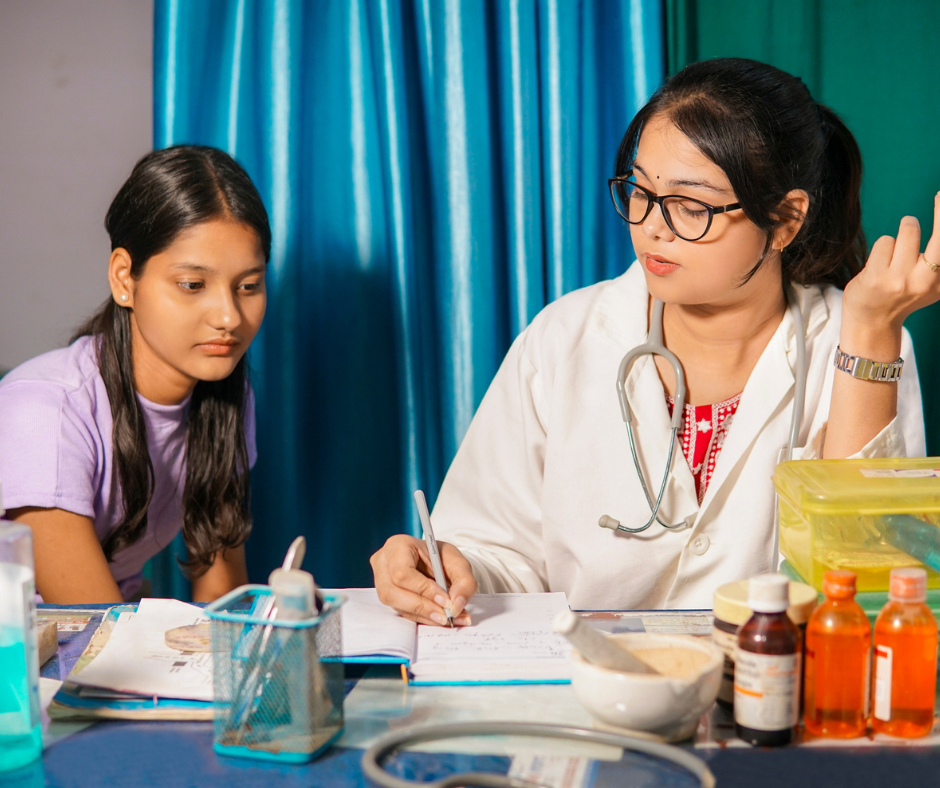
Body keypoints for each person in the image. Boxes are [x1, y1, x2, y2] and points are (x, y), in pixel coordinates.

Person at [371, 57, 937, 623]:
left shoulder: (856, 343)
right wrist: (446, 567)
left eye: (691, 206)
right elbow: (499, 554)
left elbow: (867, 579)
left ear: (786, 220)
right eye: (640, 191)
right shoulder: (563, 337)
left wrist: (871, 333)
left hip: (767, 676)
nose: (651, 227)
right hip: (585, 677)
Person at [0, 145, 269, 604]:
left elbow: (222, 607)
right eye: (192, 285)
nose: (229, 317)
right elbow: (98, 628)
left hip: (107, 629)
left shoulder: (228, 396)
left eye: (248, 286)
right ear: (125, 278)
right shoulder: (43, 412)